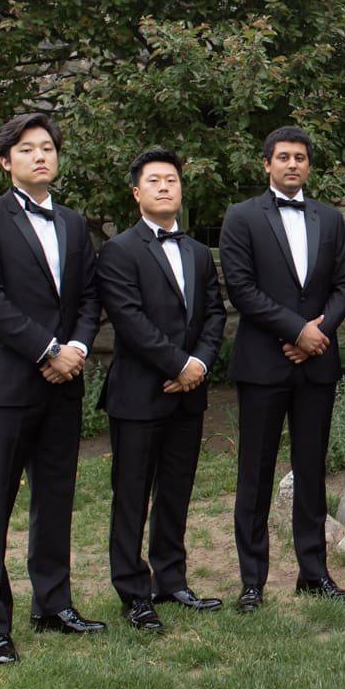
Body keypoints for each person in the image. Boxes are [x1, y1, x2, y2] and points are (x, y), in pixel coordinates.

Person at [0, 113, 104, 666]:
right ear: (6, 160)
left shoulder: (71, 223)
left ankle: (53, 605)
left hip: (63, 385)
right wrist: (47, 350)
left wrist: (78, 352)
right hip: (7, 386)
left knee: (56, 500)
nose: (40, 156)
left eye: (47, 148)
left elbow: (90, 296)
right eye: (26, 149)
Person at [219, 127, 345, 610]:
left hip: (315, 364)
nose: (292, 164)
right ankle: (252, 581)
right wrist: (296, 330)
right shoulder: (241, 217)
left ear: (308, 166)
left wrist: (320, 330)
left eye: (300, 158)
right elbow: (241, 287)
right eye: (283, 157)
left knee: (312, 471)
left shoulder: (330, 219)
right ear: (267, 165)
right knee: (254, 474)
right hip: (264, 364)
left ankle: (313, 572)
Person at [97, 149, 227, 633]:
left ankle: (170, 580)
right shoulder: (118, 251)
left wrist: (200, 365)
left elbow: (214, 314)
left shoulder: (196, 252)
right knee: (131, 496)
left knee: (176, 491)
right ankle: (133, 592)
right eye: (154, 181)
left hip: (187, 394)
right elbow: (128, 321)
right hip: (138, 395)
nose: (165, 187)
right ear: (137, 193)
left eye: (172, 180)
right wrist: (177, 364)